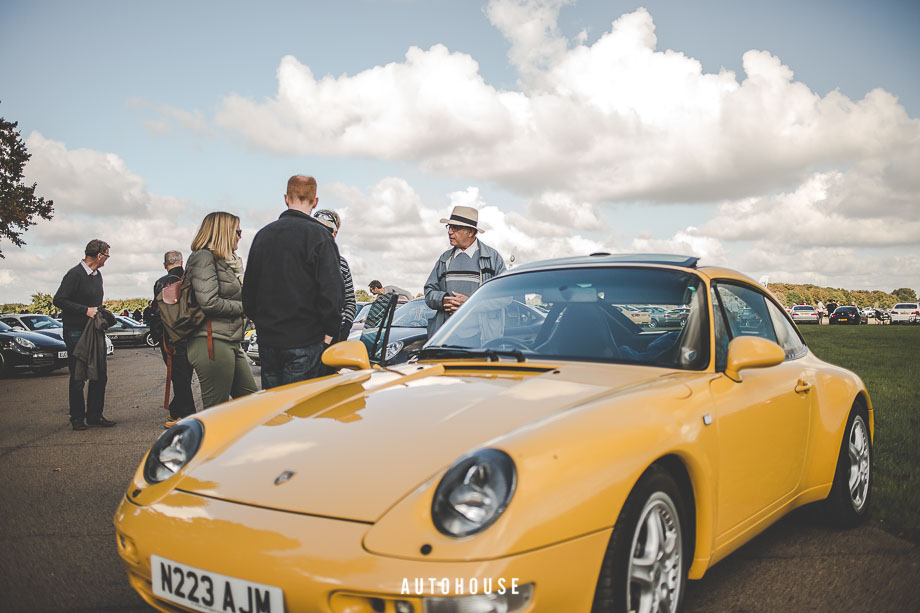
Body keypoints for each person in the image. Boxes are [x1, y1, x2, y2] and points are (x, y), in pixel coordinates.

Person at [242, 175, 344, 389]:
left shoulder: (263, 236)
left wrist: (261, 325)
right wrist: (328, 335)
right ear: (315, 201)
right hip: (306, 341)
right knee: (301, 413)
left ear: (286, 198)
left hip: (269, 342)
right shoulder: (320, 238)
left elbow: (249, 292)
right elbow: (333, 294)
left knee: (275, 411)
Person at [186, 212, 258, 408]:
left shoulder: (229, 263)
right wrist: (245, 308)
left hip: (230, 340)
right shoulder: (203, 257)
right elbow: (209, 302)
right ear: (224, 232)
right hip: (211, 341)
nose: (240, 236)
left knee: (254, 404)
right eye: (238, 231)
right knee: (216, 411)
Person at [52, 239, 116, 430]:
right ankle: (77, 417)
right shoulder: (74, 274)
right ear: (99, 255)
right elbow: (59, 299)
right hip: (76, 331)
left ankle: (95, 415)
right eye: (107, 255)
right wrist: (84, 310)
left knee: (100, 374)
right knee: (78, 376)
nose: (107, 259)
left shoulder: (97, 276)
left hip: (94, 330)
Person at [424, 205, 506, 337]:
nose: (450, 232)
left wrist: (470, 304)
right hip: (446, 338)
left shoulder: (493, 258)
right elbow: (428, 293)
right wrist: (443, 299)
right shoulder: (444, 259)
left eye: (455, 228)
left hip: (481, 340)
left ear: (471, 232)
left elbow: (505, 297)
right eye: (449, 227)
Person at [152, 251, 196, 427]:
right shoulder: (190, 279)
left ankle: (185, 414)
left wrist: (157, 336)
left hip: (170, 336)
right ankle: (176, 410)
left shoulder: (161, 283)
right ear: (182, 261)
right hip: (191, 334)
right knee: (186, 374)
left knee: (178, 376)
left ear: (164, 264)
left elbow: (157, 313)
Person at [313, 209, 356, 342]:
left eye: (326, 230)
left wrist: (345, 327)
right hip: (307, 336)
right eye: (317, 228)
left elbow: (350, 300)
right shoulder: (301, 259)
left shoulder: (341, 263)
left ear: (335, 233)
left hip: (336, 335)